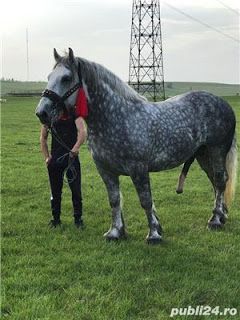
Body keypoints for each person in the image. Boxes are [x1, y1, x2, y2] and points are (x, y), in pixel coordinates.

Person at [40, 107, 87, 228]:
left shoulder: (74, 113)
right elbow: (43, 137)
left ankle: (78, 219)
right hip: (55, 159)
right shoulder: (50, 115)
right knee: (55, 191)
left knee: (76, 190)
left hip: (71, 158)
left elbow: (82, 132)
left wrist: (75, 148)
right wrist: (47, 157)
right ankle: (55, 219)